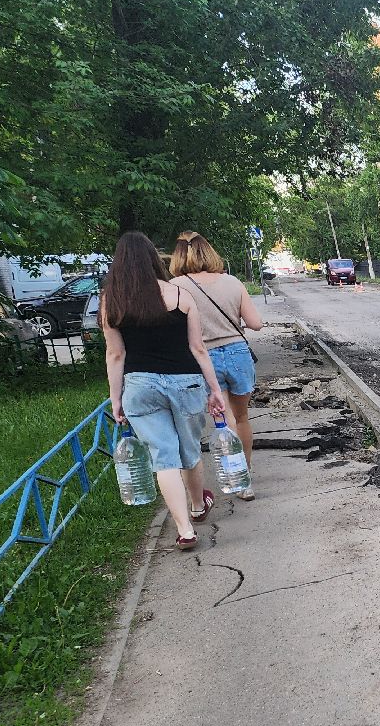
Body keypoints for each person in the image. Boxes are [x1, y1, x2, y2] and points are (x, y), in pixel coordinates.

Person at [103, 232, 227, 550]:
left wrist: (116, 399)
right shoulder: (178, 295)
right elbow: (198, 348)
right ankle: (198, 506)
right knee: (189, 450)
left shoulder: (111, 301)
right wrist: (215, 391)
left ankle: (185, 529)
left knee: (163, 457)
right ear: (153, 260)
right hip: (185, 381)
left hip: (140, 386)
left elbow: (116, 355)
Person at [169, 231, 264, 499]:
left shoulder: (177, 287)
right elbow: (256, 323)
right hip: (238, 352)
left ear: (177, 255)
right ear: (208, 251)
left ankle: (237, 479)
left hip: (203, 357)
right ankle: (245, 476)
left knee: (223, 420)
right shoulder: (232, 282)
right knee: (242, 417)